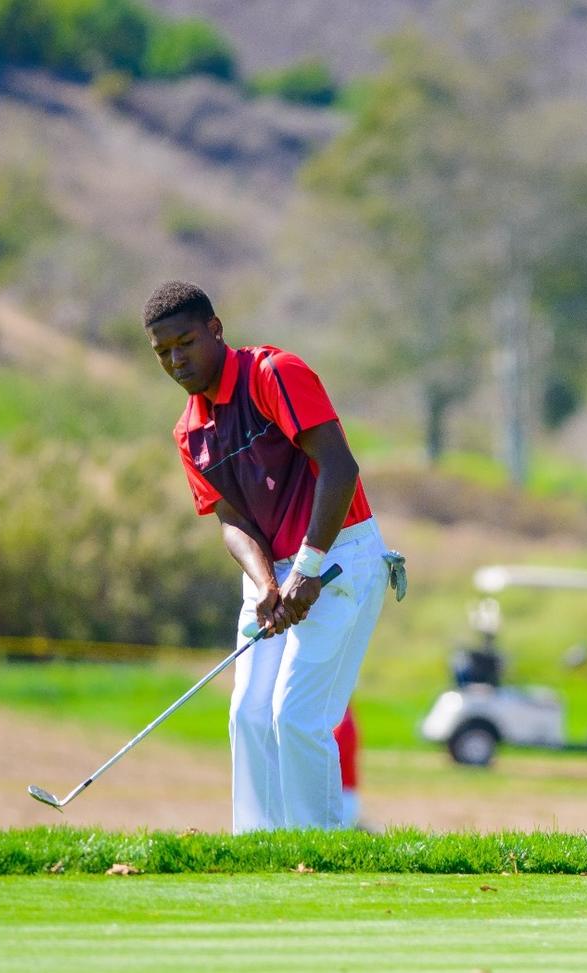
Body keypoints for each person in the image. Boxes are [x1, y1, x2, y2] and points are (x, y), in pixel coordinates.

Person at [143, 281, 395, 832]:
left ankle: (318, 850)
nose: (176, 360)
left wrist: (306, 566)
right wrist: (265, 584)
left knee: (297, 714)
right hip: (274, 573)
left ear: (215, 329)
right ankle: (259, 846)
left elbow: (340, 468)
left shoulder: (272, 374)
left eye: (185, 343)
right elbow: (232, 519)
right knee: (249, 713)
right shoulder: (190, 432)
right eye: (163, 352)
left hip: (340, 555)